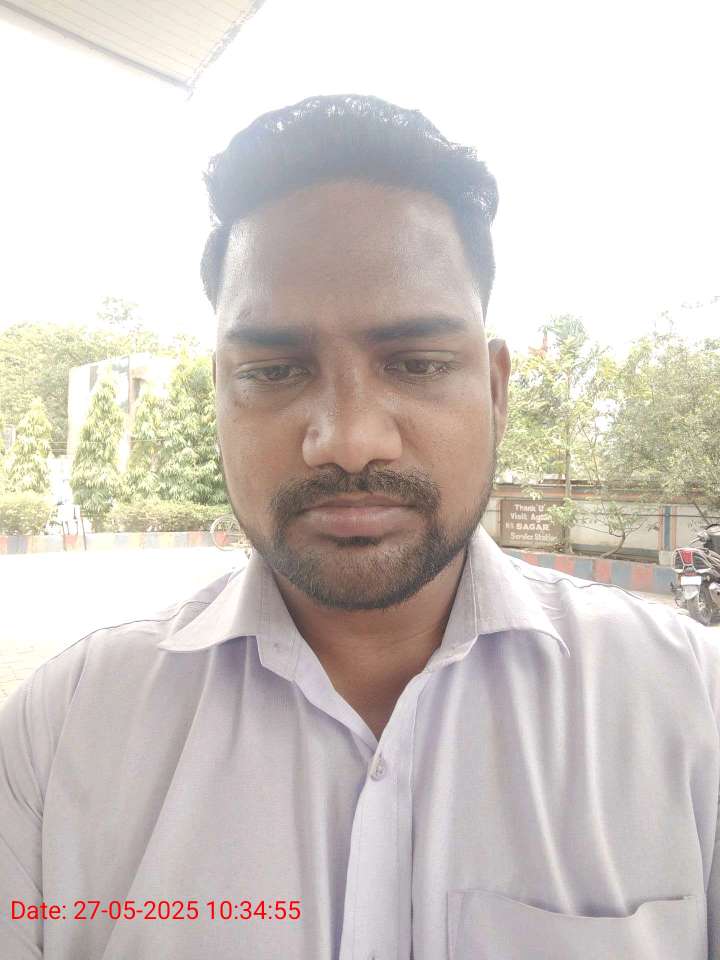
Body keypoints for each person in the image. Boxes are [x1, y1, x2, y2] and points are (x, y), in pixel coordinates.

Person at [1, 93, 718, 960]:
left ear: (495, 392)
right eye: (275, 370)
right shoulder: (63, 734)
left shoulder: (691, 705)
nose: (347, 440)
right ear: (220, 395)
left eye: (416, 363)